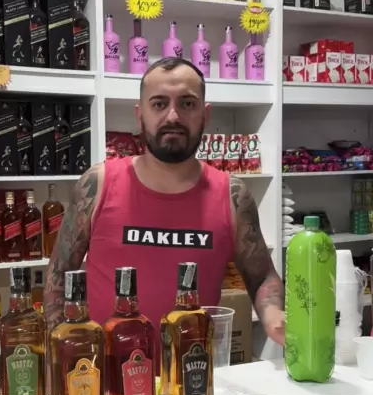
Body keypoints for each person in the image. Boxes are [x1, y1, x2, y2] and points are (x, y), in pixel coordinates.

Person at [44, 57, 284, 348]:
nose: (173, 116)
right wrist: (60, 351)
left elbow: (262, 277)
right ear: (140, 115)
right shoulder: (97, 185)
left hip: (192, 370)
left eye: (187, 103)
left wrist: (273, 313)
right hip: (104, 372)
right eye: (159, 104)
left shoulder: (233, 196)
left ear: (205, 114)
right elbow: (58, 276)